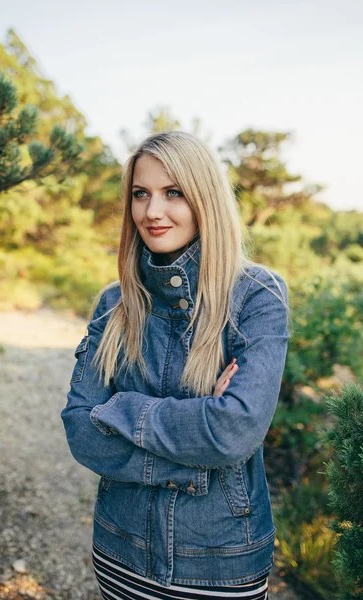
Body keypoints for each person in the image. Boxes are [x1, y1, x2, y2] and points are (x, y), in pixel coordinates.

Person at [61, 130, 291, 600]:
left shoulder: (256, 297)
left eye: (174, 193)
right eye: (140, 194)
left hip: (221, 561)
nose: (152, 212)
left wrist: (120, 409)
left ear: (204, 197)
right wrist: (195, 451)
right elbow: (81, 431)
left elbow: (234, 431)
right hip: (118, 551)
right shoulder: (113, 303)